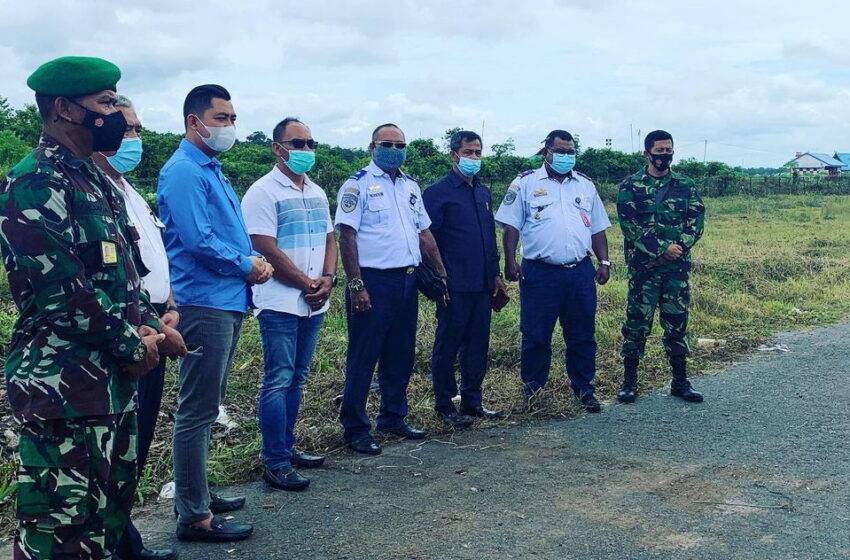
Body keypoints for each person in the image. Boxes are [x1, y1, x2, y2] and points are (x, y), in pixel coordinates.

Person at [0, 56, 166, 560]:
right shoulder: (34, 182)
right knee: (61, 529)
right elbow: (60, 293)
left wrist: (151, 325)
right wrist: (129, 344)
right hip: (63, 390)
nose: (115, 113)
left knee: (107, 522)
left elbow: (125, 277)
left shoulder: (96, 182)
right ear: (64, 109)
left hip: (111, 385)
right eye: (105, 103)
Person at [157, 84, 273, 542]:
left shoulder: (211, 168)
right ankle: (194, 514)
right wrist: (247, 264)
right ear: (194, 122)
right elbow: (197, 239)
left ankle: (198, 493)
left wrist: (247, 266)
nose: (230, 126)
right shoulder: (185, 171)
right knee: (197, 407)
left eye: (232, 118)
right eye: (222, 118)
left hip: (223, 297)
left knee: (207, 405)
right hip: (203, 300)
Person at [91, 94, 187, 560]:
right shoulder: (90, 190)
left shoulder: (126, 190)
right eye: (126, 128)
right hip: (129, 333)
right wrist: (152, 323)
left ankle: (124, 541)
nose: (133, 139)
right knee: (111, 455)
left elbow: (149, 260)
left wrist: (167, 305)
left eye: (137, 130)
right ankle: (118, 543)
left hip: (153, 321)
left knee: (134, 445)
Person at [335, 123, 447, 455]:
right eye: (388, 144)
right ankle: (355, 428)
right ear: (372, 147)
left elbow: (424, 233)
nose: (395, 150)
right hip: (373, 282)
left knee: (401, 353)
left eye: (400, 145)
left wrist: (441, 273)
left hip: (407, 280)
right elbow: (347, 236)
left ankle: (393, 417)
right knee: (363, 355)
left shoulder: (410, 186)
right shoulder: (358, 185)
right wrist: (356, 285)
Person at [241, 117, 336, 491]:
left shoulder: (316, 191)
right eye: (297, 143)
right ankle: (275, 461)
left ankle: (287, 447)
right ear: (277, 148)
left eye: (311, 143)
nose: (305, 151)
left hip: (314, 299)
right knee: (278, 379)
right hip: (280, 300)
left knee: (298, 376)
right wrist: (305, 282)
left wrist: (327, 280)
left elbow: (330, 238)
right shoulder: (262, 192)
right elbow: (265, 247)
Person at [495, 129, 611, 413]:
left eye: (571, 151)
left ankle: (584, 388)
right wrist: (510, 261)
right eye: (560, 151)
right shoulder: (525, 182)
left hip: (580, 272)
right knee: (536, 335)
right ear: (547, 150)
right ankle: (533, 391)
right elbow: (511, 226)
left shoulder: (585, 184)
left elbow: (597, 227)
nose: (566, 156)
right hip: (540, 273)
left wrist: (604, 262)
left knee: (582, 333)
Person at [422, 130, 508, 428]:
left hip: (482, 283)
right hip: (453, 284)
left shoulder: (483, 192)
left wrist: (495, 274)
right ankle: (445, 404)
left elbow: (488, 238)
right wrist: (438, 278)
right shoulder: (437, 193)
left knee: (478, 344)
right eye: (468, 152)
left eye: (477, 153)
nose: (474, 158)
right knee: (448, 344)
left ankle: (473, 400)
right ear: (454, 155)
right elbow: (426, 238)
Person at [616, 130, 705, 404]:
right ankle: (629, 383)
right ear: (647, 153)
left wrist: (678, 247)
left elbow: (696, 222)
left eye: (669, 150)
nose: (664, 155)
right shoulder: (630, 186)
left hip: (676, 270)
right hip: (644, 270)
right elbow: (629, 226)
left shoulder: (685, 184)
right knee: (636, 325)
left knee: (677, 324)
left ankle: (680, 382)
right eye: (659, 151)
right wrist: (659, 250)